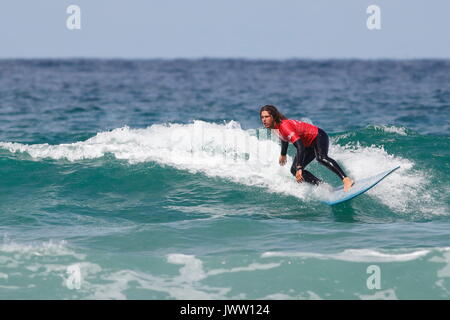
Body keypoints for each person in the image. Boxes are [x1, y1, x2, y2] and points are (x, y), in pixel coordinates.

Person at [260, 105, 354, 192]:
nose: (264, 120)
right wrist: (283, 154)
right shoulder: (275, 127)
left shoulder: (285, 126)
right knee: (294, 170)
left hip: (317, 136)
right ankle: (323, 186)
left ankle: (346, 180)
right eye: (262, 117)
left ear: (273, 116)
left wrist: (300, 167)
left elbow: (300, 146)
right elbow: (284, 138)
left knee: (321, 158)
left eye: (266, 117)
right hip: (307, 144)